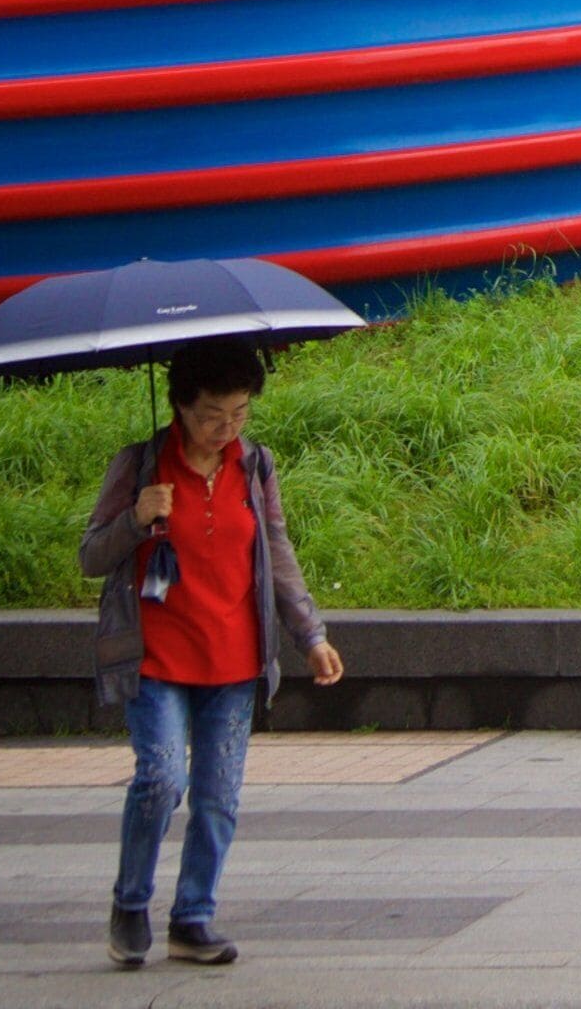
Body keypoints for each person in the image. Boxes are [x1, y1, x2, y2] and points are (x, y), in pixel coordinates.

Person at [81, 338, 344, 968]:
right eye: (211, 415)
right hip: (158, 657)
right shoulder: (140, 466)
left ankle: (193, 916)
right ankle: (130, 902)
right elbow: (91, 557)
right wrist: (135, 520)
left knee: (219, 797)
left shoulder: (255, 466)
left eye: (240, 413)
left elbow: (277, 553)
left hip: (234, 657)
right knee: (161, 779)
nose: (226, 428)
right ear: (178, 405)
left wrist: (310, 633)